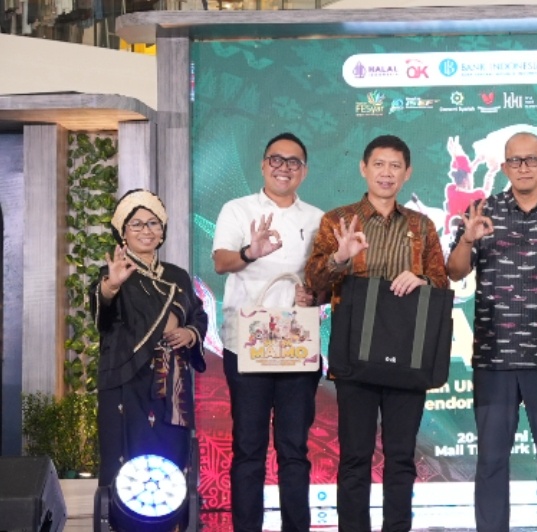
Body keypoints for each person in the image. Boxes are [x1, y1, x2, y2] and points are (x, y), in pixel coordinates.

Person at [305, 134, 449, 532]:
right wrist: (340, 257)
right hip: (355, 353)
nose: (387, 173)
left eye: (395, 166)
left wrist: (421, 278)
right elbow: (314, 284)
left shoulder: (421, 225)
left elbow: (442, 281)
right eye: (379, 164)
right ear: (364, 168)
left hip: (409, 354)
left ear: (407, 173)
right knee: (355, 456)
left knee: (401, 457)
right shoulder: (338, 220)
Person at [447, 132, 537, 532]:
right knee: (491, 461)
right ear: (504, 166)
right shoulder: (482, 211)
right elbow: (454, 271)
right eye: (515, 160)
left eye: (532, 160)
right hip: (495, 357)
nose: (523, 167)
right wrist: (468, 240)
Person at [213, 132, 324, 532]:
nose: (284, 168)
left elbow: (324, 280)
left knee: (294, 450)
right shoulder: (237, 210)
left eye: (293, 162)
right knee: (249, 448)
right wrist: (251, 252)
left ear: (304, 172)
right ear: (263, 165)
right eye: (276, 159)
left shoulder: (317, 219)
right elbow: (221, 262)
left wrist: (314, 294)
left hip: (297, 345)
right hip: (246, 345)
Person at [91, 189, 207, 516]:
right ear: (123, 232)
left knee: (171, 457)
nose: (146, 230)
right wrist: (111, 286)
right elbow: (102, 317)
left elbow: (198, 314)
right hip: (127, 377)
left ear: (162, 230)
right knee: (127, 457)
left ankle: (171, 523)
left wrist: (190, 332)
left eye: (153, 223)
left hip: (172, 383)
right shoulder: (114, 272)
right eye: (137, 224)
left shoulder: (177, 275)